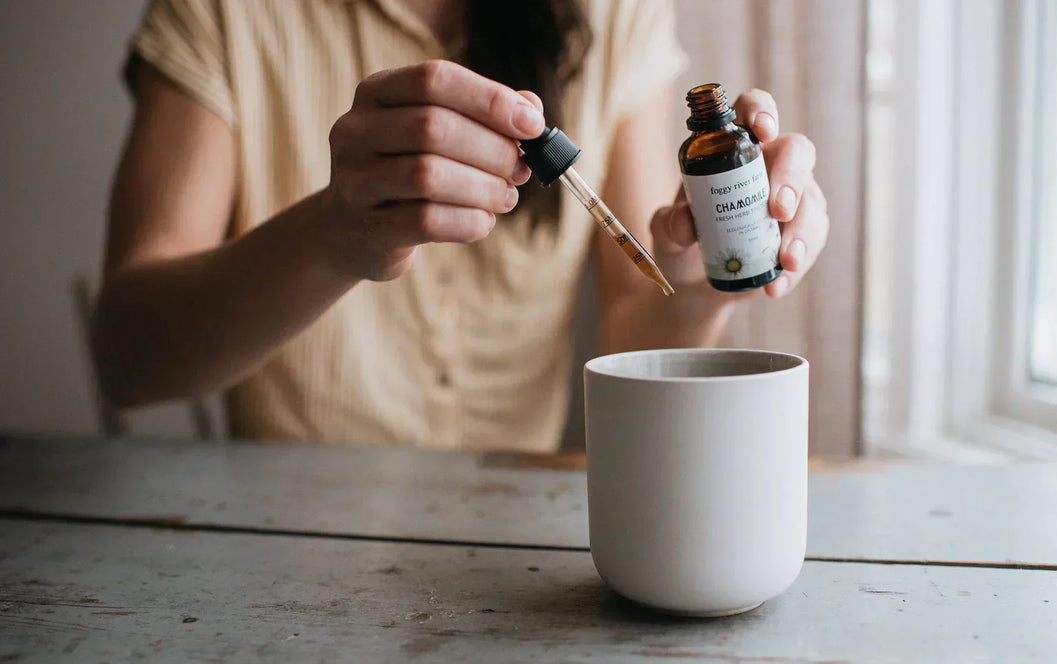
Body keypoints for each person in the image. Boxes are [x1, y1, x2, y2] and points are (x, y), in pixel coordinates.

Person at [94, 0, 829, 451]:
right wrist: (333, 237)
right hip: (290, 524)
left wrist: (714, 270)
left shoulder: (616, 13)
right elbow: (129, 359)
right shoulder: (225, 12)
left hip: (518, 514)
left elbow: (637, 328)